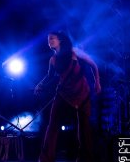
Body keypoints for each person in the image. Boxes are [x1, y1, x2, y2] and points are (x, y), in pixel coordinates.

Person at [34, 31, 101, 162]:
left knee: (84, 127)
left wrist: (97, 82)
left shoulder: (73, 51)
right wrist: (39, 85)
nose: (50, 41)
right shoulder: (52, 60)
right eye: (48, 39)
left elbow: (93, 64)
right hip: (63, 94)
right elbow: (49, 76)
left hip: (82, 92)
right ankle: (46, 159)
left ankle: (86, 158)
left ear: (60, 40)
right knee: (52, 126)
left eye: (52, 38)